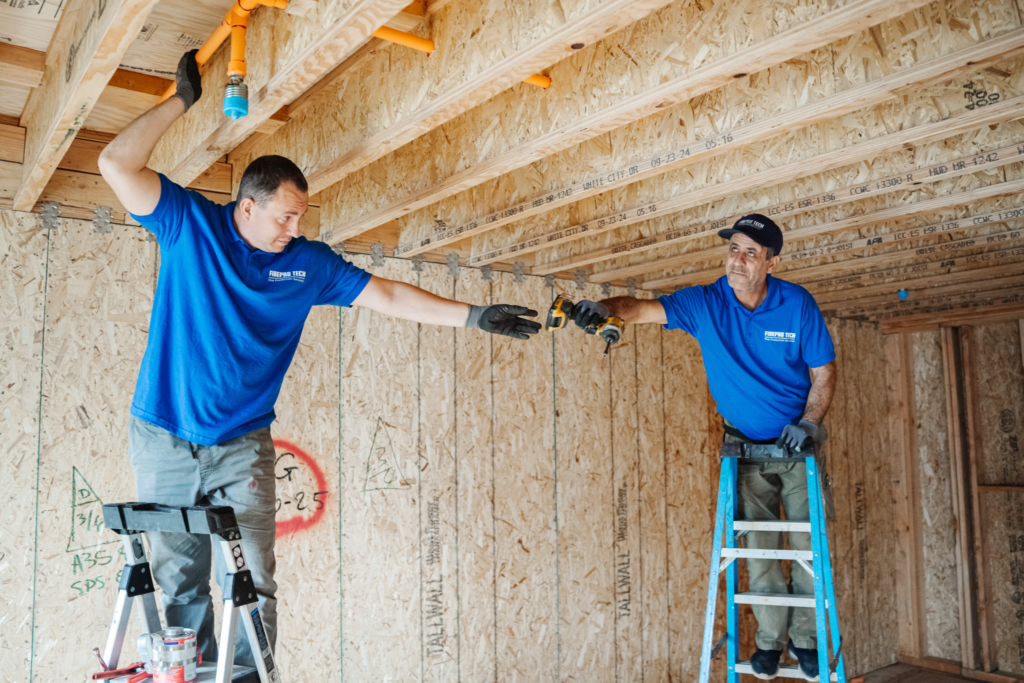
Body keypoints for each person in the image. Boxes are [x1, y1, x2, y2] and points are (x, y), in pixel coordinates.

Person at [97, 50, 541, 667]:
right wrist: (181, 102)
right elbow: (115, 163)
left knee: (252, 581)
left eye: (300, 218)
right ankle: (190, 677)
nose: (293, 230)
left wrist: (475, 315)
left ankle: (248, 680)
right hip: (165, 435)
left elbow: (387, 295)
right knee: (180, 581)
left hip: (241, 442)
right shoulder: (188, 225)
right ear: (247, 207)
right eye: (285, 217)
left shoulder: (307, 264)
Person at [572, 213, 837, 681]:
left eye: (751, 253)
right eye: (734, 249)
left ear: (771, 263)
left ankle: (807, 641)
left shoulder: (797, 304)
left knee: (806, 546)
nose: (738, 260)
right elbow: (638, 308)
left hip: (796, 447)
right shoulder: (705, 303)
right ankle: (770, 643)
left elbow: (824, 372)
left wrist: (810, 423)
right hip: (744, 449)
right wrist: (601, 307)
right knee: (760, 548)